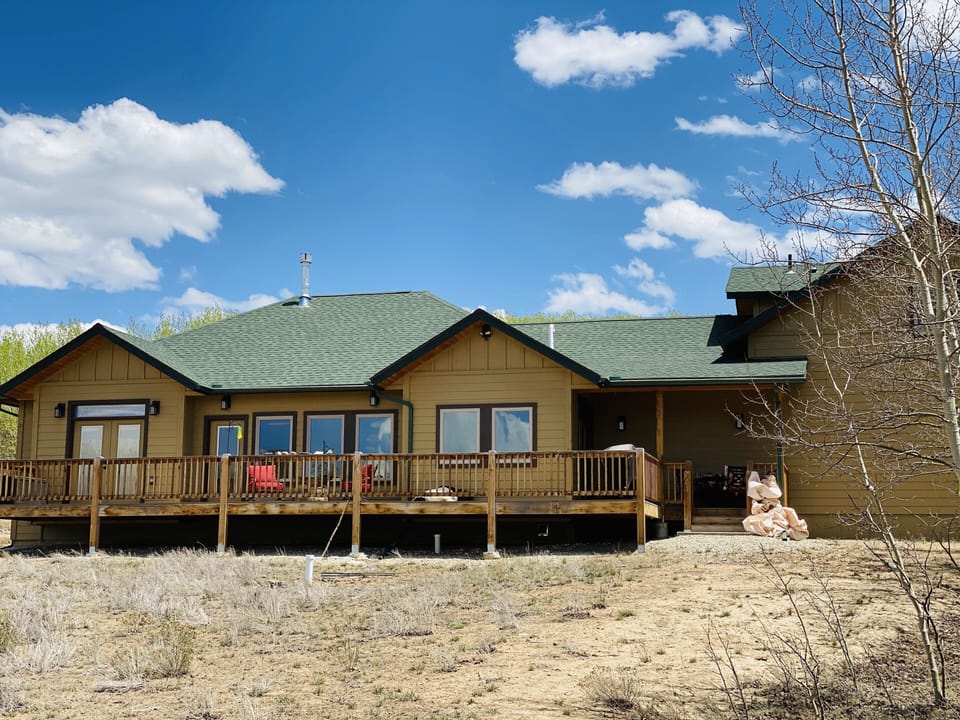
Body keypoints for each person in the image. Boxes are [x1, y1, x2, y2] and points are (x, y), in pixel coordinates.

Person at [742, 472, 809, 540]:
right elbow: (755, 506)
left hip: (776, 511)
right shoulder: (760, 497)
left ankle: (784, 534)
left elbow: (775, 502)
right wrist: (760, 507)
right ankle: (783, 534)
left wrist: (770, 506)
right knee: (769, 524)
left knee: (779, 523)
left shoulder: (773, 494)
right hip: (767, 514)